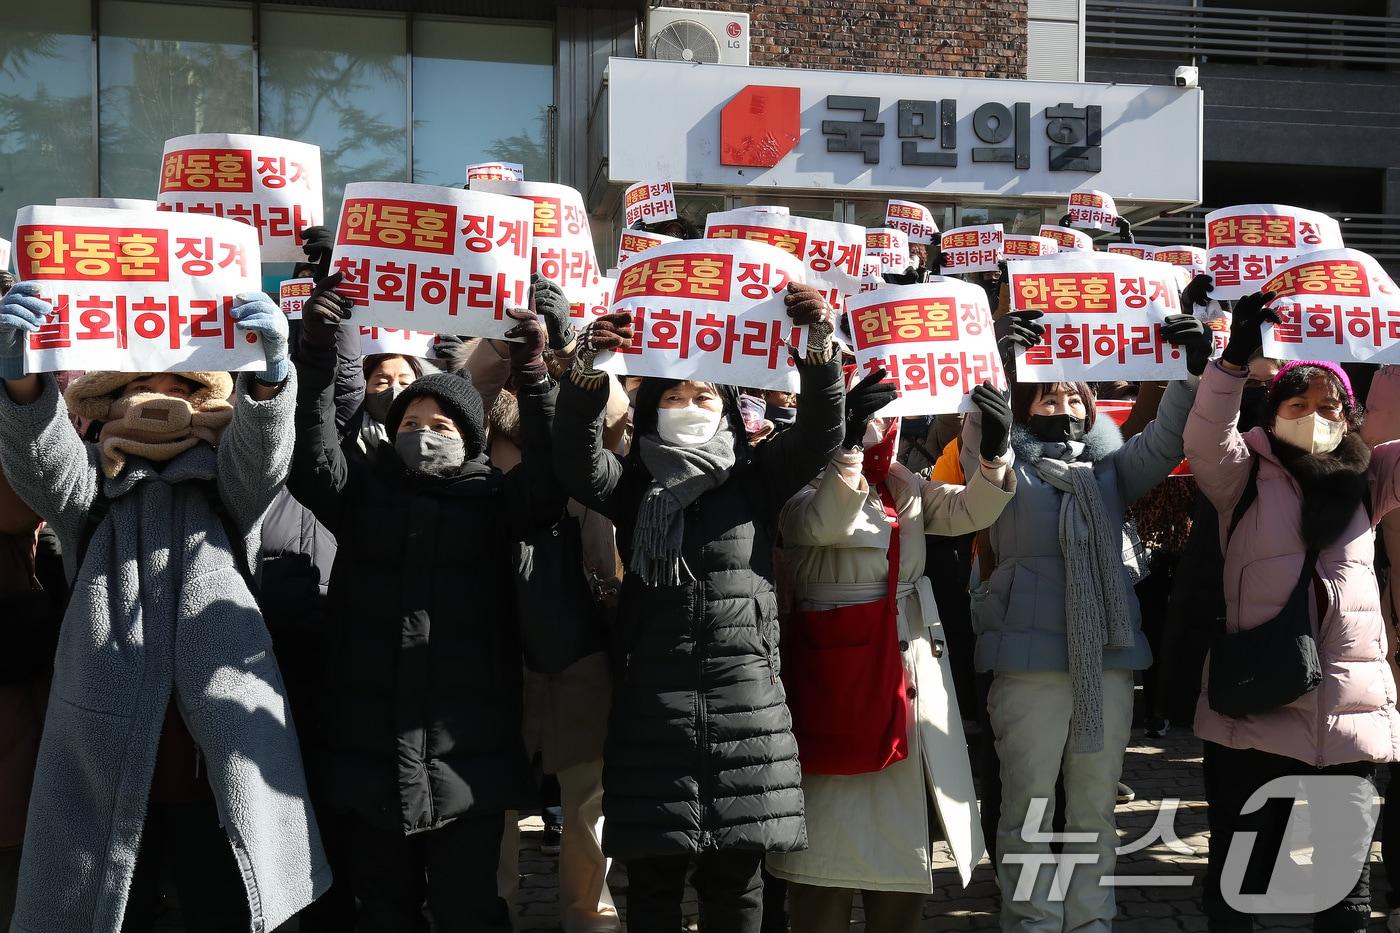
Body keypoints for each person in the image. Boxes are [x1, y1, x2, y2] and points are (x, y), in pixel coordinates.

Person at [0, 284, 328, 933]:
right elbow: (42, 463)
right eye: (137, 387)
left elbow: (262, 459)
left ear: (206, 400)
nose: (158, 400)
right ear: (108, 403)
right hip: (109, 774)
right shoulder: (91, 488)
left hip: (218, 771)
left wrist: (269, 384)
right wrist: (23, 390)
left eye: (178, 386)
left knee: (227, 913)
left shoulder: (226, 484)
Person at [551, 282, 845, 932]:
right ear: (653, 411)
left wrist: (819, 349)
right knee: (652, 887)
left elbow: (825, 431)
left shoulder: (757, 478)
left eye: (703, 395)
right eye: (674, 397)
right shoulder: (633, 488)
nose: (688, 405)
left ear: (727, 408)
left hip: (747, 713)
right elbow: (573, 459)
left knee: (736, 890)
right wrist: (583, 373)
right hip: (652, 719)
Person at [288, 277, 564, 932]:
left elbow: (553, 472)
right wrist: (318, 351)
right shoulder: (361, 496)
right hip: (368, 757)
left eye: (440, 426)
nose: (422, 433)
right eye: (410, 424)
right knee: (384, 911)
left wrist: (534, 369)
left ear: (469, 440)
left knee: (468, 909)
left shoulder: (496, 503)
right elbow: (312, 449)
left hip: (466, 761)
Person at [965, 305, 1213, 932]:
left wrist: (1189, 374)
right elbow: (978, 454)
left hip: (1104, 659)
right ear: (1022, 403)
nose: (1061, 398)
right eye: (1044, 391)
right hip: (1027, 666)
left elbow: (1165, 440)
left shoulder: (1110, 469)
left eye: (1072, 389)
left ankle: (1089, 922)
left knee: (1095, 809)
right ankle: (1032, 923)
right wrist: (995, 365)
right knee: (1029, 807)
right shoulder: (1003, 462)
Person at [767, 374, 1017, 933]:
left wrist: (996, 452)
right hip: (837, 679)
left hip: (907, 672)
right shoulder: (790, 467)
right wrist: (845, 444)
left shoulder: (899, 477)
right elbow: (823, 521)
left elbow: (966, 511)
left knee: (904, 856)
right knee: (823, 858)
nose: (882, 418)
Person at [1184, 293, 1400, 933]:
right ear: (1272, 413)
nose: (1314, 417)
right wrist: (1230, 362)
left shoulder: (1370, 476)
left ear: (1351, 418)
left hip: (1349, 712)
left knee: (1345, 885)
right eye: (1297, 405)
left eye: (1329, 408)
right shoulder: (1242, 473)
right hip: (1258, 707)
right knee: (1244, 872)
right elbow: (1203, 433)